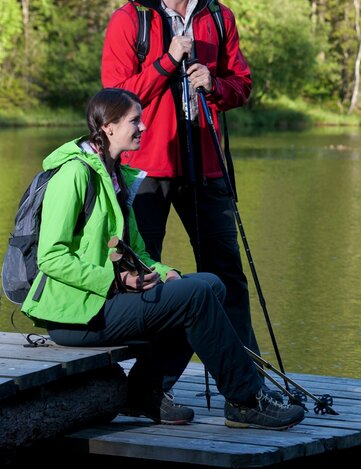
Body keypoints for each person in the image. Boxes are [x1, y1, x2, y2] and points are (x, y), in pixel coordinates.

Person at [21, 88, 304, 430]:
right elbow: (51, 257)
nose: (143, 128)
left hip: (103, 302)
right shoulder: (74, 175)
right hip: (75, 314)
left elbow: (137, 252)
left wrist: (164, 272)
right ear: (108, 127)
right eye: (134, 121)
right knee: (194, 297)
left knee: (208, 284)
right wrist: (115, 280)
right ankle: (245, 400)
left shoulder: (117, 174)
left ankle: (147, 392)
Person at [101, 0, 260, 354]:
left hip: (206, 165)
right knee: (143, 272)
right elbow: (113, 99)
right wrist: (167, 63)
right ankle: (149, 385)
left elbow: (242, 85)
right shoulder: (131, 19)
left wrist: (215, 85)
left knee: (226, 274)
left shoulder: (218, 16)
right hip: (146, 170)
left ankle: (247, 382)